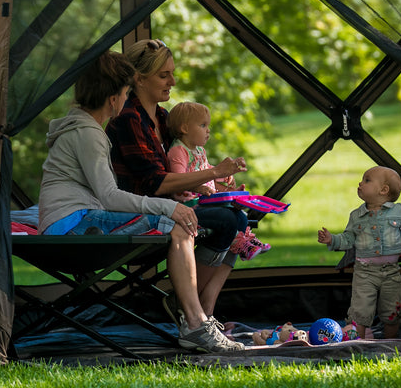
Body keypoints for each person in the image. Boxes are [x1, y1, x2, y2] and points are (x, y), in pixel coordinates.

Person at [38, 50, 244, 353]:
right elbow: (109, 196)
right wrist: (169, 206)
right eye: (125, 92)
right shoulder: (88, 134)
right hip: (73, 226)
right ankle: (196, 324)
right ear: (112, 99)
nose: (127, 98)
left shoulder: (85, 128)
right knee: (178, 224)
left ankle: (195, 318)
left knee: (191, 221)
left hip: (73, 220)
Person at [107, 39, 248, 329]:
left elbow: (187, 167)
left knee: (241, 216)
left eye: (172, 73)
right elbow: (155, 184)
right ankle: (189, 306)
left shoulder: (163, 117)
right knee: (224, 220)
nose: (173, 81)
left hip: (172, 204)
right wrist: (211, 175)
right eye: (164, 75)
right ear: (138, 78)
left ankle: (201, 306)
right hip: (141, 208)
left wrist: (220, 179)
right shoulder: (129, 118)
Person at [317, 166, 401, 339]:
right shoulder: (356, 215)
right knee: (360, 310)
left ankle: (389, 342)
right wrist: (332, 239)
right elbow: (348, 238)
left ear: (383, 190)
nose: (360, 183)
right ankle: (359, 343)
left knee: (393, 309)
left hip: (391, 271)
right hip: (364, 272)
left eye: (367, 180)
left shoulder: (397, 211)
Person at [167, 101, 271, 261]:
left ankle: (246, 241)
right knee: (225, 217)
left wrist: (224, 176)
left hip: (205, 203)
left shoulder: (199, 150)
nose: (208, 130)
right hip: (189, 209)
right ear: (185, 128)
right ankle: (239, 243)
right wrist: (199, 187)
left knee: (241, 216)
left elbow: (206, 168)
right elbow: (178, 180)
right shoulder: (178, 152)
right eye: (202, 125)